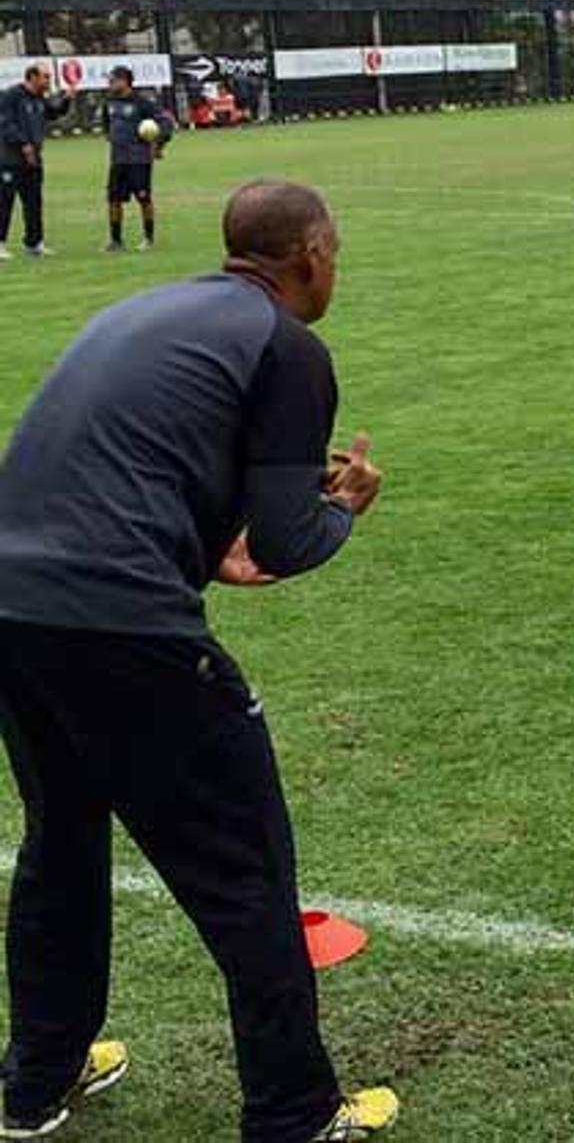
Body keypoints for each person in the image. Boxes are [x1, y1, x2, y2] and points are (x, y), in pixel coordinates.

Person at [0, 180, 399, 1143]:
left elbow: (147, 464)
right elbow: (288, 539)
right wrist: (344, 507)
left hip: (13, 608)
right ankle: (295, 1114)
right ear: (308, 257)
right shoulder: (291, 348)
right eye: (333, 254)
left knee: (62, 841)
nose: (333, 270)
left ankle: (32, 1084)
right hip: (122, 625)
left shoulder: (148, 309)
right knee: (247, 873)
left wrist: (209, 537)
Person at [0, 64, 72, 260]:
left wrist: (67, 99)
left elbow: (54, 113)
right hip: (9, 160)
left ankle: (34, 243)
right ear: (32, 77)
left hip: (33, 161)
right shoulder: (11, 95)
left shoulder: (39, 98)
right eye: (45, 77)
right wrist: (23, 143)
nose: (48, 81)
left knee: (33, 202)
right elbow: (5, 123)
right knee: (4, 202)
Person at [102, 65, 175, 253]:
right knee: (113, 199)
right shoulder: (109, 102)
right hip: (117, 160)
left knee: (144, 199)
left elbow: (166, 122)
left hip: (139, 160)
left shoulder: (142, 103)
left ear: (124, 81)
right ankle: (116, 241)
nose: (110, 84)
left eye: (113, 80)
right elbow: (107, 126)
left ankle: (148, 239)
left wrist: (158, 145)